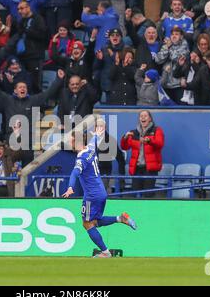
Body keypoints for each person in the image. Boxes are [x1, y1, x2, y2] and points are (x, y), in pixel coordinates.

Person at [62, 127, 137, 258]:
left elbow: (75, 173)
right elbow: (93, 140)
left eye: (72, 141)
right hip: (101, 192)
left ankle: (105, 252)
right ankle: (120, 218)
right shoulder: (90, 149)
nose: (70, 143)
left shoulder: (81, 159)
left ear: (78, 141)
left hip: (91, 195)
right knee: (95, 221)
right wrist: (97, 134)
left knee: (87, 223)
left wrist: (70, 187)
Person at [120, 110, 164, 197]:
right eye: (141, 116)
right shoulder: (134, 132)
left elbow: (160, 144)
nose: (143, 118)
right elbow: (124, 147)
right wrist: (125, 138)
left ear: (150, 119)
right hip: (137, 169)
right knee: (133, 195)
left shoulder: (156, 130)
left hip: (150, 169)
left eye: (145, 116)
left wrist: (150, 140)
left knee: (148, 195)